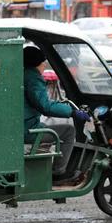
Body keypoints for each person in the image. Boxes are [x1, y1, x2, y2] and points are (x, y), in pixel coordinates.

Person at [23, 46, 91, 184]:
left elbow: (40, 101)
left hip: (23, 125)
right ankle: (58, 173)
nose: (44, 66)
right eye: (44, 63)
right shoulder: (33, 78)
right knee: (69, 130)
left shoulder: (22, 74)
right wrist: (71, 112)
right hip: (27, 129)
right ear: (39, 63)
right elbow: (45, 107)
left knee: (55, 126)